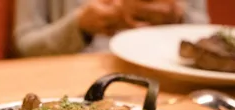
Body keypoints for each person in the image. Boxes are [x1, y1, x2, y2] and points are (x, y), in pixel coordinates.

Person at [12, 0, 209, 58]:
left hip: (168, 80)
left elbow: (208, 36)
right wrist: (80, 26)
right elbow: (25, 44)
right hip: (74, 80)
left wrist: (177, 15)